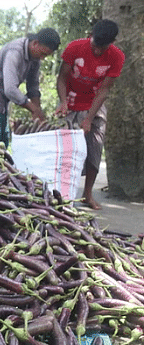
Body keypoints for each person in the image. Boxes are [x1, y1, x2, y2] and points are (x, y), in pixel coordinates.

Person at [55, 19, 125, 210]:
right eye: (95, 46)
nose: (97, 52)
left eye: (102, 48)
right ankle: (62, 193)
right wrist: (63, 102)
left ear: (112, 43)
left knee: (95, 147)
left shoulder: (117, 57)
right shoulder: (74, 47)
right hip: (70, 101)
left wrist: (88, 119)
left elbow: (104, 90)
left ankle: (87, 194)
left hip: (95, 104)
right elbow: (62, 77)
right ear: (90, 36)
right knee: (65, 151)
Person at [0, 28, 61, 148]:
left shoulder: (35, 58)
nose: (42, 58)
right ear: (35, 43)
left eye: (46, 55)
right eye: (43, 54)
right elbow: (10, 89)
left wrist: (38, 111)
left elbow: (33, 86)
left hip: (0, 104)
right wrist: (32, 108)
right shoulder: (15, 51)